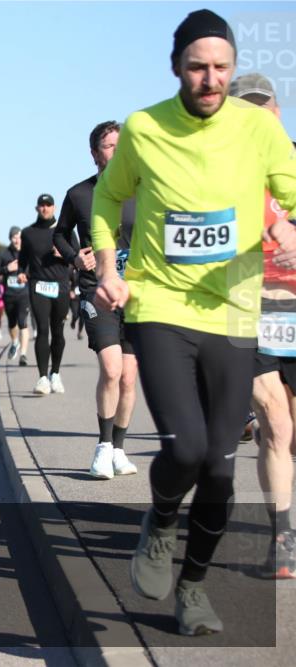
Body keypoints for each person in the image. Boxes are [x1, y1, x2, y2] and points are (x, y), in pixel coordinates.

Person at [92, 10, 296, 635]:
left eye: (221, 69)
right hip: (160, 307)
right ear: (177, 67)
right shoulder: (146, 127)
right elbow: (107, 197)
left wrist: (291, 228)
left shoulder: (257, 132)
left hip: (234, 311)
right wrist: (107, 266)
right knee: (187, 446)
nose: (210, 80)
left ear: (231, 70)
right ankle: (159, 521)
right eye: (198, 68)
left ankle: (194, 589)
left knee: (219, 466)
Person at [230, 72, 296, 579]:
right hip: (246, 310)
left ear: (276, 112)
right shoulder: (218, 173)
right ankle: (283, 538)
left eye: (262, 108)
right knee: (275, 423)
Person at [55, 120, 140, 480]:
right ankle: (103, 447)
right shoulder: (79, 194)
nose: (116, 151)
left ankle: (119, 448)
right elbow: (59, 235)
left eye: (122, 144)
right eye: (109, 145)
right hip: (96, 290)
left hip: (136, 294)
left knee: (129, 379)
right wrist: (76, 257)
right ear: (95, 154)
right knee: (111, 368)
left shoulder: (143, 190)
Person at [21, 193, 70, 395]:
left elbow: (76, 253)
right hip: (38, 285)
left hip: (61, 286)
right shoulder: (28, 233)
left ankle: (55, 374)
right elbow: (23, 258)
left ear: (54, 207)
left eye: (48, 205)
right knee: (42, 330)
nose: (45, 208)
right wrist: (20, 272)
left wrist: (64, 254)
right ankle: (42, 378)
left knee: (57, 331)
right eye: (41, 205)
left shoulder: (64, 230)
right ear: (37, 209)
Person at [0, 226, 31, 365]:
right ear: (10, 238)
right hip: (9, 295)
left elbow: (36, 268)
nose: (17, 239)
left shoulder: (28, 252)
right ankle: (15, 342)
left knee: (23, 323)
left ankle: (23, 355)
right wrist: (7, 269)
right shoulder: (3, 253)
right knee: (12, 323)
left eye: (19, 236)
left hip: (24, 294)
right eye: (14, 237)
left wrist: (26, 275)